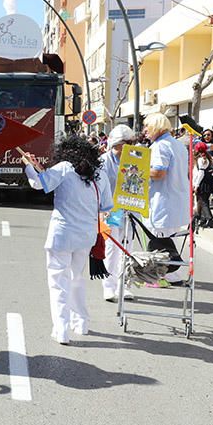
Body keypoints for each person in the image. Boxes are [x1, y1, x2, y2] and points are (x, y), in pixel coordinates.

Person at [20, 136, 113, 344]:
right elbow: (106, 206)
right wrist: (39, 167)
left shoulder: (64, 168)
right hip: (86, 236)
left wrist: (28, 166)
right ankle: (81, 323)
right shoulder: (99, 174)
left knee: (58, 282)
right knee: (76, 278)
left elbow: (38, 184)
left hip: (62, 234)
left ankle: (61, 329)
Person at [143, 112, 190, 285]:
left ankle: (161, 274)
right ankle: (169, 274)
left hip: (163, 201)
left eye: (147, 126)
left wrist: (138, 170)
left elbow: (158, 172)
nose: (145, 130)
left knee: (159, 241)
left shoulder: (160, 146)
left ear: (156, 126)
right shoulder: (178, 144)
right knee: (168, 239)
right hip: (176, 200)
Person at [100, 124, 136, 303]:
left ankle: (124, 285)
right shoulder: (104, 161)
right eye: (121, 143)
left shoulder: (136, 159)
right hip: (111, 210)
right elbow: (100, 185)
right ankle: (109, 286)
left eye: (128, 143)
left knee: (127, 248)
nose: (123, 147)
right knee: (112, 248)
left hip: (130, 209)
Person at [193, 141, 213, 228]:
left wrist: (196, 185)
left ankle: (209, 219)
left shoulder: (200, 159)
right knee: (203, 200)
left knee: (203, 200)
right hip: (210, 181)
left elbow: (201, 173)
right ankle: (201, 219)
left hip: (202, 182)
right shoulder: (211, 158)